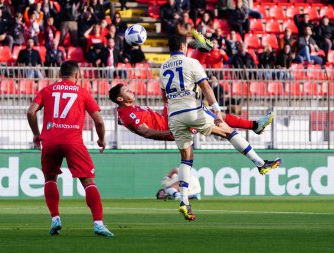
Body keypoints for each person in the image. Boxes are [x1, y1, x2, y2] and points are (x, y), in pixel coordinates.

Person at [159, 35, 281, 221]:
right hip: (193, 110)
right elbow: (207, 88)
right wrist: (216, 110)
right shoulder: (191, 62)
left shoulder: (163, 67)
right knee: (229, 131)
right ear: (183, 46)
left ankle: (184, 201)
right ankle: (261, 164)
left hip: (174, 116)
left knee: (186, 158)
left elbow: (164, 97)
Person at [26, 60, 114, 237]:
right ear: (77, 75)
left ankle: (55, 219)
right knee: (88, 182)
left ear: (60, 75)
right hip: (73, 141)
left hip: (50, 141)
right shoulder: (82, 92)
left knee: (50, 179)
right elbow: (99, 121)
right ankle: (98, 223)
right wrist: (101, 139)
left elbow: (30, 112)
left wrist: (36, 134)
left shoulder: (47, 90)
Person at [108, 83, 274, 141]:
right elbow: (146, 132)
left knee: (176, 91)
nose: (131, 92)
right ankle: (252, 127)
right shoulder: (128, 113)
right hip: (174, 126)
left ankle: (251, 126)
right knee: (209, 114)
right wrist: (171, 131)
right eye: (126, 91)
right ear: (120, 99)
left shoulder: (126, 111)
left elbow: (123, 119)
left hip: (168, 118)